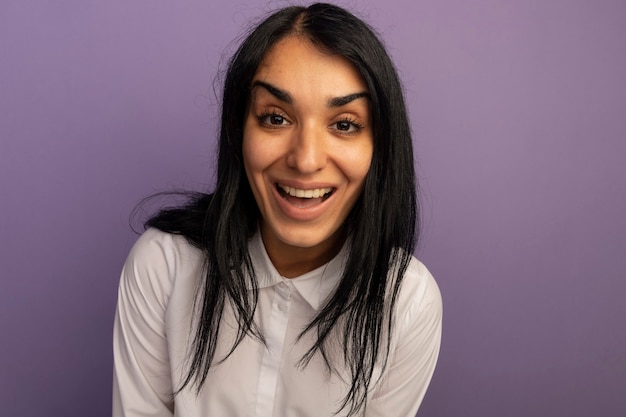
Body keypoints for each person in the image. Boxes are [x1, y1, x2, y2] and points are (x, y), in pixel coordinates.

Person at [112, 3, 442, 417]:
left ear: (380, 146)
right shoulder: (164, 265)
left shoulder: (407, 302)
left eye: (343, 124)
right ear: (238, 130)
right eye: (275, 118)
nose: (306, 160)